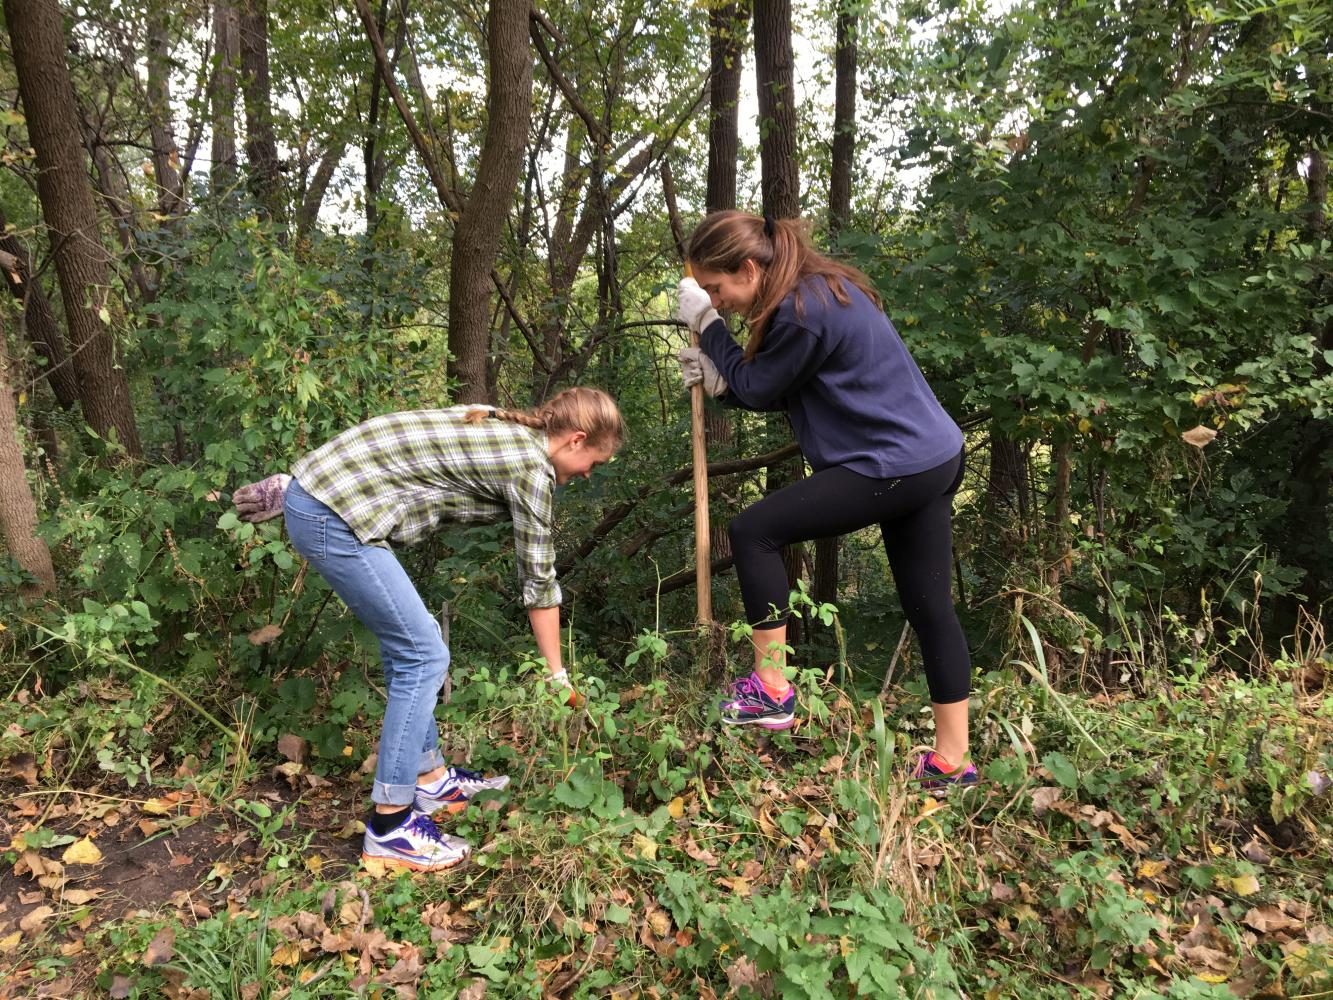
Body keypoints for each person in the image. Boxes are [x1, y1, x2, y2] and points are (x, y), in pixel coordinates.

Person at [232, 388, 625, 869]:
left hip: (325, 498)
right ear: (576, 440)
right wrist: (557, 674)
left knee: (416, 647)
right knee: (425, 656)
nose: (589, 474)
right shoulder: (530, 468)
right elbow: (539, 581)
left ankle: (430, 779)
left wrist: (300, 485)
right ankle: (391, 826)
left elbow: (398, 439)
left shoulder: (502, 423)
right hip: (333, 514)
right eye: (596, 463)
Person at [674, 210, 977, 791]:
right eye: (709, 294)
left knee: (754, 531)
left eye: (718, 288)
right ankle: (952, 763)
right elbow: (784, 385)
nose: (719, 299)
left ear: (747, 268)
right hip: (932, 455)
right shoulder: (817, 294)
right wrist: (721, 383)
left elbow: (762, 384)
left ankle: (771, 688)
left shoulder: (802, 310)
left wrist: (710, 326)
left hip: (893, 462)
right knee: (930, 607)